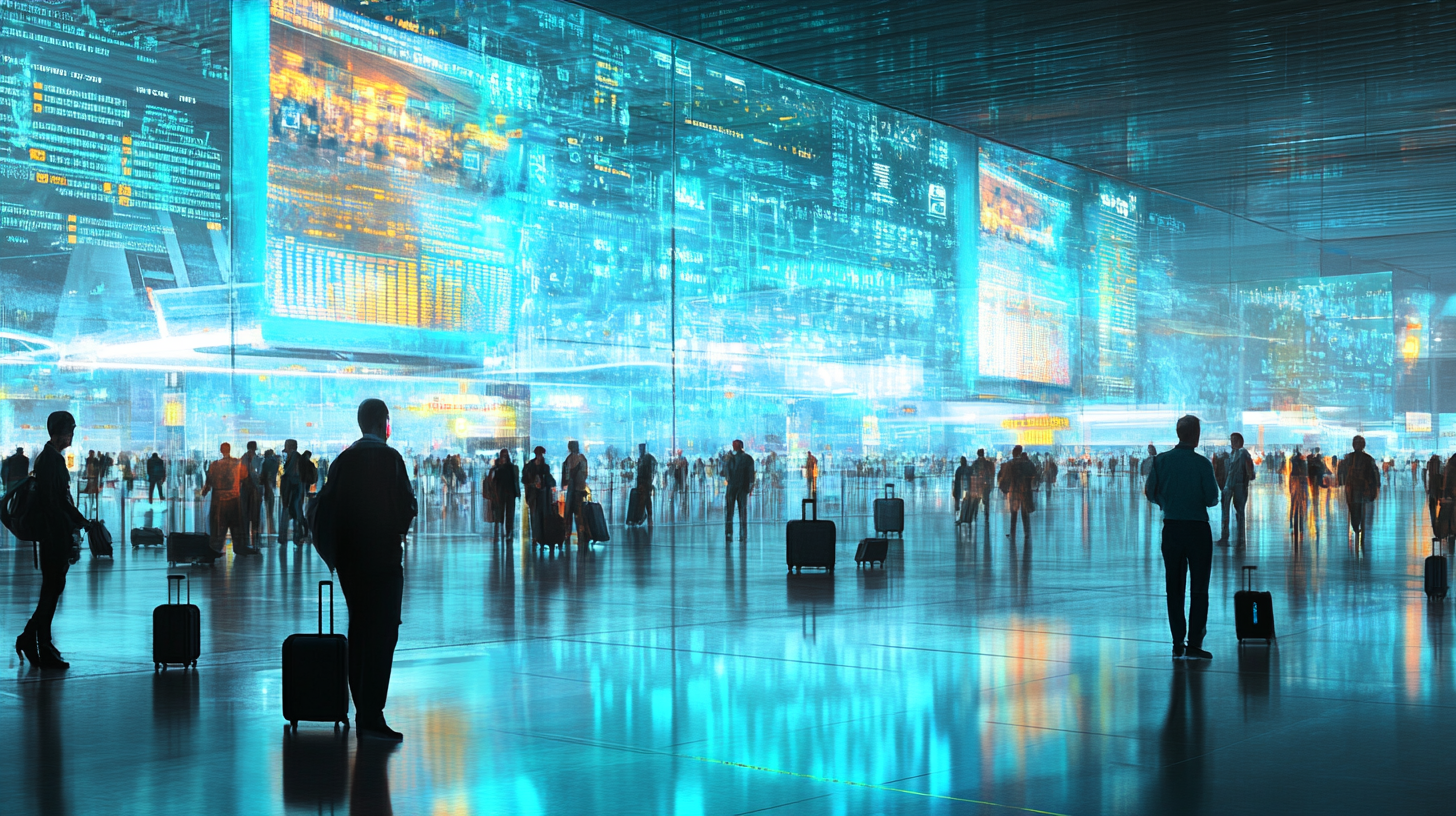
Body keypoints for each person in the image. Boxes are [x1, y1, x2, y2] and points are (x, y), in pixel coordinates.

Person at [312, 399, 417, 741]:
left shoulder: (344, 461)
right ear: (382, 422)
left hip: (352, 561)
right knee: (384, 632)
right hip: (384, 559)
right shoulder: (390, 459)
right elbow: (406, 508)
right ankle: (373, 713)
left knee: (360, 627)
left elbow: (326, 507)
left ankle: (362, 710)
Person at [16, 411, 98, 668]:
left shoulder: (49, 458)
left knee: (52, 589)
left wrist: (78, 520)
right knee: (51, 589)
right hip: (54, 534)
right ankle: (40, 643)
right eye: (70, 431)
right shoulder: (51, 460)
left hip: (54, 532)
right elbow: (56, 501)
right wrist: (77, 521)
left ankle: (33, 639)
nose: (72, 435)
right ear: (61, 433)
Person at [1144, 415, 1220, 660]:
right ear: (1195, 434)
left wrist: (1166, 503)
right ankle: (1195, 642)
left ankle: (1177, 640)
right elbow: (1212, 498)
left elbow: (1150, 492)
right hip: (1198, 529)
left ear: (1179, 433)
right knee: (1199, 587)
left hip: (1172, 527)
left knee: (1174, 586)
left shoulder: (1161, 461)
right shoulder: (1202, 464)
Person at [201, 442, 258, 556]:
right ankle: (239, 546)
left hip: (218, 501)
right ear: (230, 449)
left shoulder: (214, 465)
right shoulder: (237, 463)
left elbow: (209, 482)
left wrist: (204, 492)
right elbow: (245, 476)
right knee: (236, 526)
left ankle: (216, 548)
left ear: (221, 451)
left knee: (218, 527)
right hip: (233, 499)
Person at [1218, 433, 1255, 545]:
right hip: (1231, 485)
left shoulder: (1243, 454)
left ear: (1240, 441)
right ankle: (1235, 537)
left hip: (1237, 485)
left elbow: (1250, 472)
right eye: (1232, 440)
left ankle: (1236, 537)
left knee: (1236, 511)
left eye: (1235, 440)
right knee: (1233, 511)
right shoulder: (1231, 455)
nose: (1232, 442)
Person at [1340, 436, 1380, 538]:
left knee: (1354, 507)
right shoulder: (1367, 458)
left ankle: (1356, 525)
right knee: (1356, 507)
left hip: (1355, 487)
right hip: (1357, 487)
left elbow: (1342, 472)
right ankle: (1357, 525)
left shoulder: (1349, 458)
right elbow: (1374, 473)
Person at [997, 445, 1037, 541]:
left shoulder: (1010, 464)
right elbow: (1034, 473)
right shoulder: (1027, 463)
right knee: (1025, 514)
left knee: (1014, 514)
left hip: (1014, 491)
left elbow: (1003, 476)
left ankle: (1012, 533)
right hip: (1025, 491)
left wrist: (1004, 489)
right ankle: (1027, 533)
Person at [724, 439, 754, 542]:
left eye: (734, 446)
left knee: (730, 511)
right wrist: (749, 488)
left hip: (733, 488)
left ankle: (729, 533)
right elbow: (751, 476)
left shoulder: (730, 459)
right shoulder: (748, 458)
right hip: (742, 488)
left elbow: (725, 473)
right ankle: (742, 534)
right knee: (742, 511)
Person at [522, 446, 553, 541]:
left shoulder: (533, 466)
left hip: (537, 493)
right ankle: (537, 535)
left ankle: (537, 536)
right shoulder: (536, 466)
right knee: (536, 514)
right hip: (537, 493)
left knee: (536, 514)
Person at [561, 441, 589, 543]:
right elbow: (584, 475)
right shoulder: (582, 459)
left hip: (571, 490)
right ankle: (581, 533)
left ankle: (567, 534)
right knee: (579, 514)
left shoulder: (568, 459)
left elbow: (566, 477)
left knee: (568, 513)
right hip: (579, 490)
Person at [489, 449, 519, 540]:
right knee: (500, 513)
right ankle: (503, 530)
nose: (503, 458)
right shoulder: (498, 468)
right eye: (502, 456)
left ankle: (509, 531)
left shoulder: (510, 467)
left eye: (505, 456)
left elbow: (515, 479)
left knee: (510, 513)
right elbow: (493, 480)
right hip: (501, 492)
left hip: (509, 492)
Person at [279, 439, 305, 545]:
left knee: (291, 514)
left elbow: (291, 474)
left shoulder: (294, 457)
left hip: (292, 491)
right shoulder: (297, 457)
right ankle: (296, 537)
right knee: (295, 514)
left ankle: (289, 538)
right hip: (294, 491)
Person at [239, 441, 262, 548]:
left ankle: (250, 538)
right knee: (251, 514)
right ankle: (251, 538)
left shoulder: (243, 459)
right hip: (251, 489)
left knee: (249, 514)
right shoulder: (254, 459)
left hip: (248, 489)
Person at [635, 443, 658, 529]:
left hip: (644, 482)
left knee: (644, 499)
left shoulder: (645, 459)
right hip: (646, 481)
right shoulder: (646, 458)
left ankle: (642, 516)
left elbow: (643, 471)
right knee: (647, 499)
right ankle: (648, 515)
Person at [1288, 448, 1309, 537]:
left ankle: (1291, 524)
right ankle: (1300, 526)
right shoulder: (1303, 464)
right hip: (1300, 485)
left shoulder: (1293, 468)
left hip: (1295, 483)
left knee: (1293, 504)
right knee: (1301, 505)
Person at [260, 448, 280, 536]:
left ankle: (269, 528)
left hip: (267, 487)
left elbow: (264, 475)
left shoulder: (265, 462)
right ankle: (271, 528)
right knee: (271, 509)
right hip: (272, 485)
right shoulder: (275, 462)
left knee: (268, 509)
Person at [1425, 453, 1444, 531]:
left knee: (1433, 505)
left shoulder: (1429, 465)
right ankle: (1439, 522)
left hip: (1433, 487)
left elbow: (1428, 476)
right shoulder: (1440, 465)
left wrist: (1427, 487)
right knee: (1438, 504)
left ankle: (1435, 523)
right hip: (1438, 487)